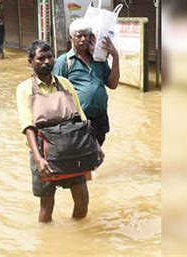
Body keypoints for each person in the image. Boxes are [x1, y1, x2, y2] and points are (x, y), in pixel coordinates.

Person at [16, 40, 89, 223]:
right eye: (41, 58)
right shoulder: (24, 89)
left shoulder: (65, 84)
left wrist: (93, 147)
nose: (47, 62)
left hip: (73, 150)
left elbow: (81, 117)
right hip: (43, 153)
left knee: (82, 200)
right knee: (47, 207)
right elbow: (28, 126)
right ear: (30, 61)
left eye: (50, 57)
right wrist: (39, 158)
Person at [53, 18, 119, 148]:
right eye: (79, 36)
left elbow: (113, 85)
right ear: (71, 38)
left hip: (100, 117)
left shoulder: (99, 59)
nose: (83, 39)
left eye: (86, 35)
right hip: (78, 121)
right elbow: (56, 95)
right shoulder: (64, 62)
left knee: (96, 155)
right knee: (80, 157)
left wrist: (115, 56)